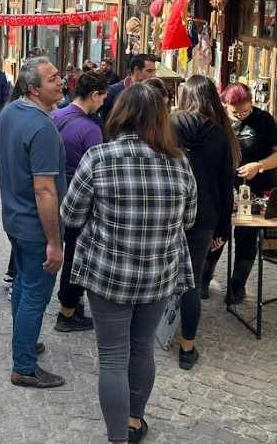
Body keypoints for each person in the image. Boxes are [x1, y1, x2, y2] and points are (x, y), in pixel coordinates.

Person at [60, 84, 197, 444]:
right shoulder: (180, 164)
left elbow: (71, 214)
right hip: (158, 273)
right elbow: (190, 219)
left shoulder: (99, 158)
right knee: (142, 348)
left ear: (121, 115)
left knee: (112, 357)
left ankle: (117, 437)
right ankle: (135, 420)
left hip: (108, 273)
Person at [0, 57, 66, 389]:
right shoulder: (43, 128)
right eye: (53, 79)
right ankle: (24, 365)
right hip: (35, 226)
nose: (61, 81)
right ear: (34, 89)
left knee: (24, 285)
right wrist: (54, 241)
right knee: (36, 292)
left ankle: (24, 341)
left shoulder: (10, 112)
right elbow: (44, 189)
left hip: (15, 218)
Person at [170, 75, 238, 370]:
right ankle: (187, 347)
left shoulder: (169, 125)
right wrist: (224, 227)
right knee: (193, 281)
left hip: (168, 211)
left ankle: (144, 336)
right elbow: (226, 186)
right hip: (205, 216)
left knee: (156, 272)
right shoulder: (221, 135)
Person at [203, 82, 277, 305]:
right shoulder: (217, 119)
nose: (241, 115)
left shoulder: (263, 120)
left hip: (256, 187)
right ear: (225, 106)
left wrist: (259, 166)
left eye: (246, 110)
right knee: (217, 234)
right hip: (223, 187)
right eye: (236, 112)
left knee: (246, 237)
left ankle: (237, 285)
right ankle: (204, 277)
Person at [50, 71, 108, 333]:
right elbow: (99, 172)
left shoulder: (55, 115)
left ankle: (68, 304)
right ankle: (68, 311)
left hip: (51, 192)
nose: (104, 102)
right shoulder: (91, 129)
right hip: (79, 199)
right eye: (103, 96)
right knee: (76, 254)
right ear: (94, 95)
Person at [99, 54, 157, 122]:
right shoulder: (113, 91)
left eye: (154, 71)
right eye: (149, 71)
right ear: (136, 70)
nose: (153, 75)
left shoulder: (153, 91)